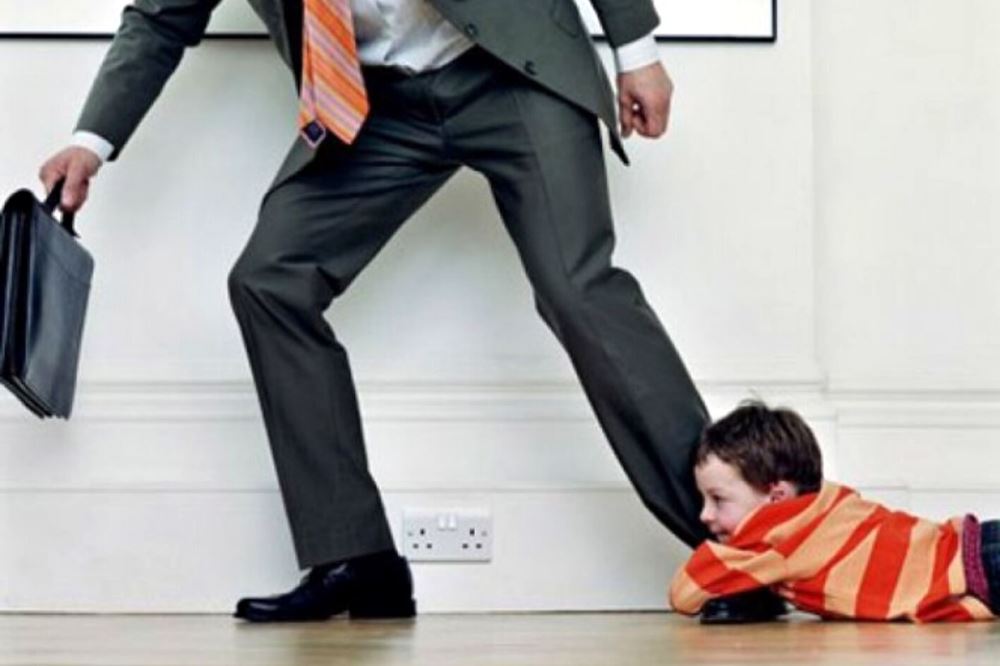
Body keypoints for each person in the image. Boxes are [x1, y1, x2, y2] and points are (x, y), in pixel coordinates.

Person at [39, 0, 715, 622]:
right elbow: (161, 17)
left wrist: (638, 53)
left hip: (510, 68)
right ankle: (355, 557)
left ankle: (739, 538)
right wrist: (89, 142)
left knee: (577, 287)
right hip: (376, 103)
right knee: (271, 281)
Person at [670, 399, 1000, 623]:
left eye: (718, 500)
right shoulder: (825, 503)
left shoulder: (777, 542)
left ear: (777, 497)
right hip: (977, 548)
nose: (704, 515)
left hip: (977, 569)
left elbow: (684, 594)